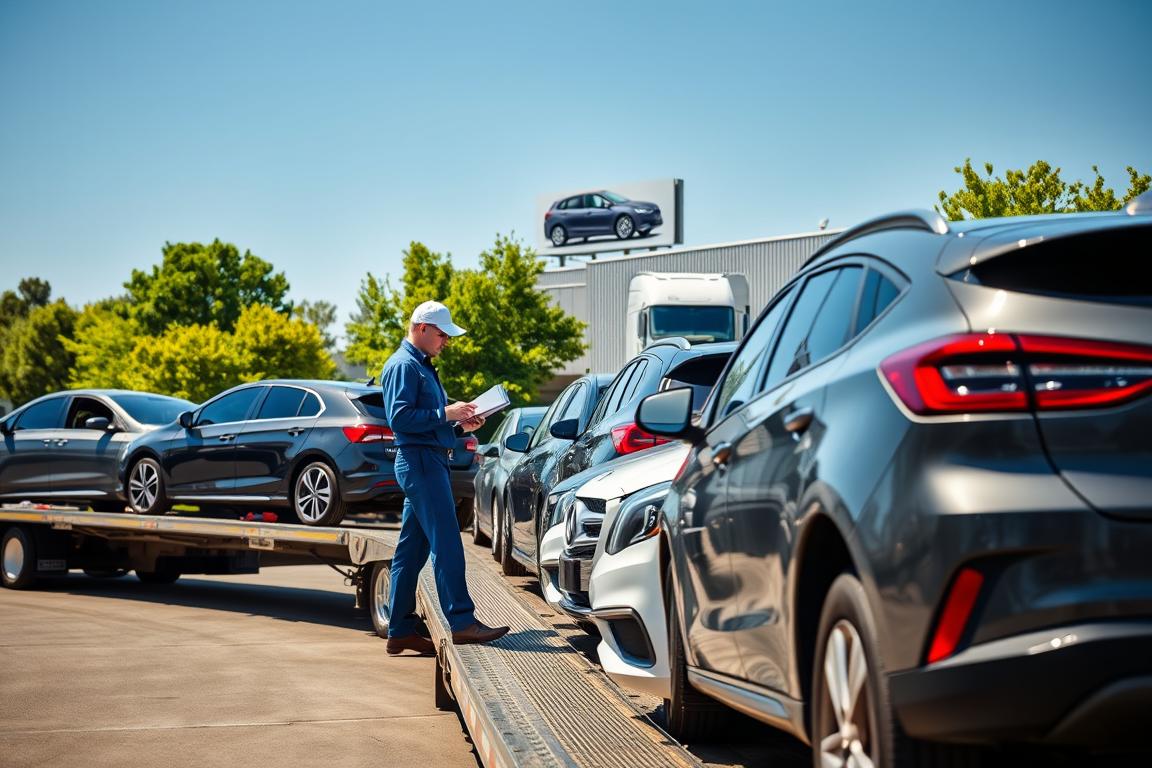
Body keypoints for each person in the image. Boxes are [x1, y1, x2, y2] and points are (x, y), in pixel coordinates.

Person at [380, 300, 510, 656]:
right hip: (421, 463)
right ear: (421, 328)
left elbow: (424, 422)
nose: (446, 341)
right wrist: (445, 412)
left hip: (425, 460)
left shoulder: (419, 365)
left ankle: (400, 629)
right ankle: (462, 622)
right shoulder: (404, 366)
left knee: (412, 550)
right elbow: (401, 420)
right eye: (442, 334)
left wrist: (457, 423)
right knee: (447, 542)